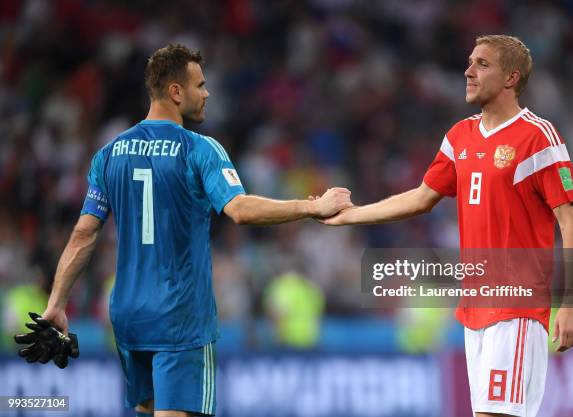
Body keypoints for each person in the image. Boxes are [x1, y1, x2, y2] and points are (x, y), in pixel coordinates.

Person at [40, 44, 352, 417]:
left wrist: (56, 303)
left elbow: (83, 234)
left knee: (148, 410)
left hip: (128, 314)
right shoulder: (200, 150)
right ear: (176, 91)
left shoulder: (109, 154)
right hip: (179, 316)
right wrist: (312, 206)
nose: (206, 93)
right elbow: (239, 209)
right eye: (200, 85)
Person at [322, 35, 573, 417]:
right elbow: (420, 198)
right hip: (474, 311)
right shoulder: (460, 136)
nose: (468, 71)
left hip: (516, 306)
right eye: (469, 62)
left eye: (482, 64)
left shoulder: (538, 136)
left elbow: (571, 223)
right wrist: (351, 214)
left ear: (511, 78)